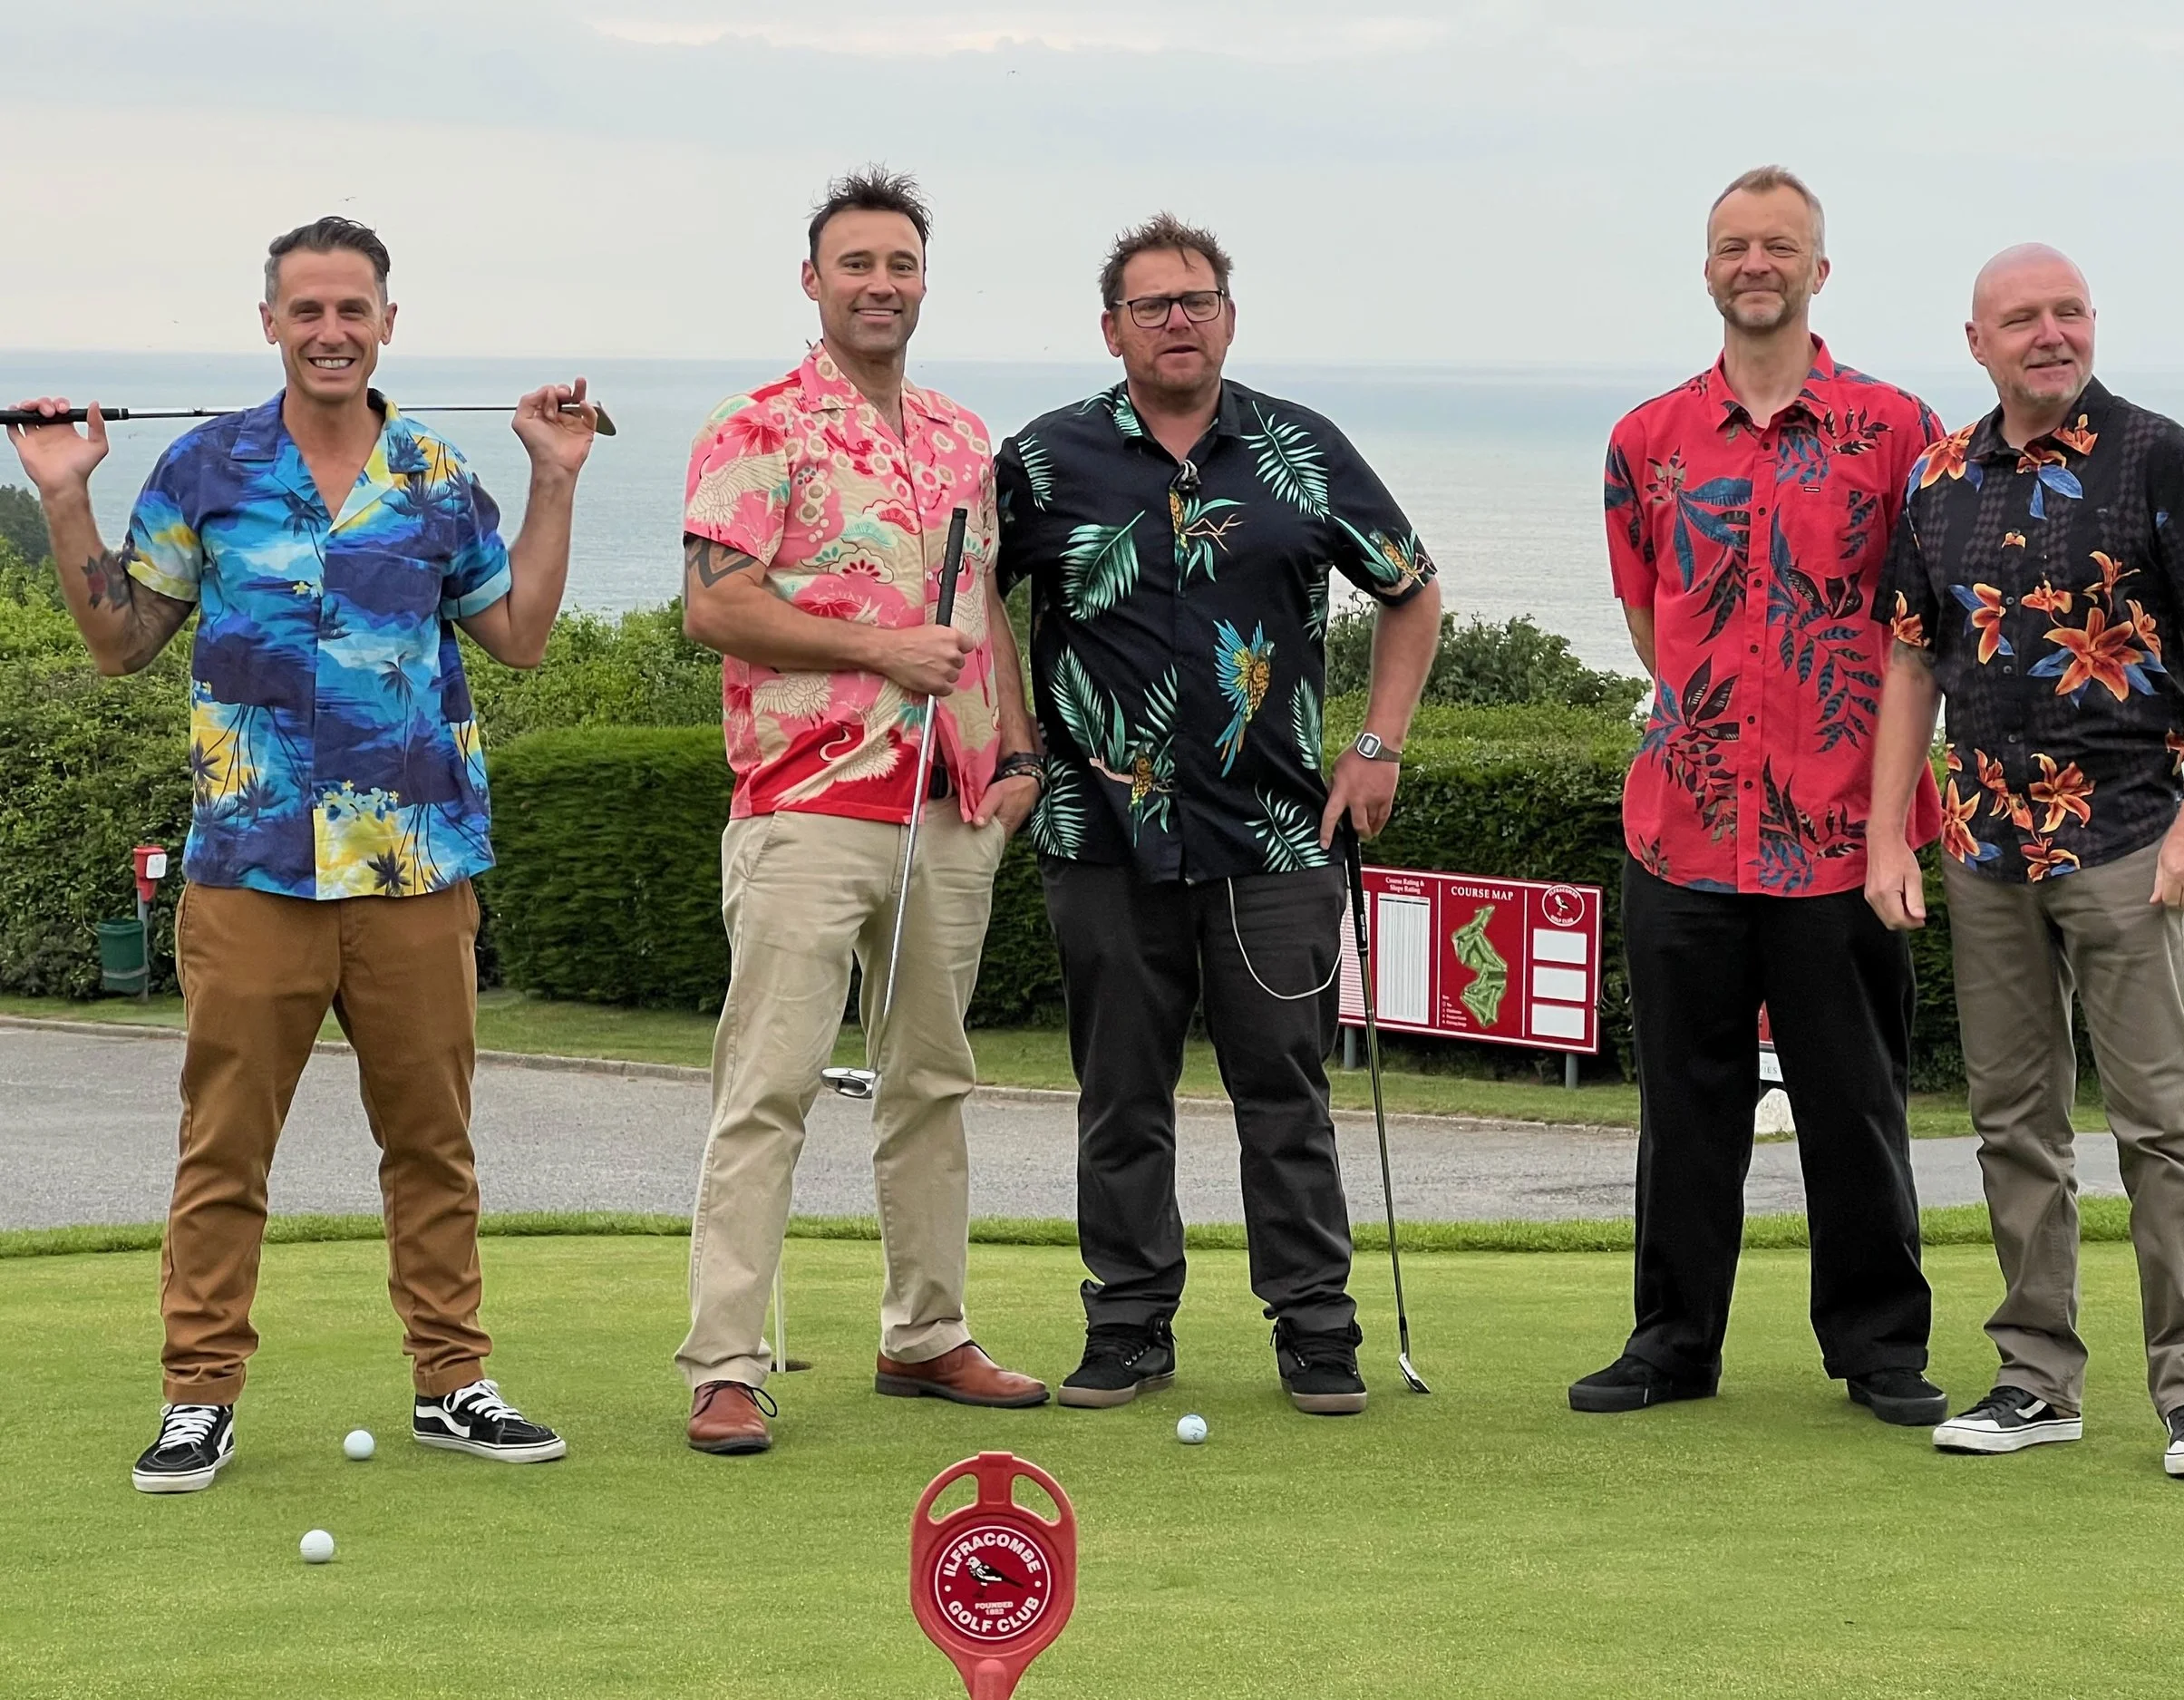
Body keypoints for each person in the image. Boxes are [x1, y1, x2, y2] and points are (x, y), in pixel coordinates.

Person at [5, 216, 597, 1492]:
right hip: (251, 869)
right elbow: (120, 643)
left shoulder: (437, 474)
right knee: (225, 1147)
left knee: (433, 1143)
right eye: (307, 310)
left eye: (354, 309)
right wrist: (66, 492)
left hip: (414, 872)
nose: (332, 330)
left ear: (389, 322)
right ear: (269, 323)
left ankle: (454, 1381)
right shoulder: (207, 467)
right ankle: (196, 1397)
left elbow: (523, 636)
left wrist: (554, 475)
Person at [995, 213, 1442, 1417]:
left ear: (1229, 317)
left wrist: (1376, 743)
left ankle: (1316, 1330)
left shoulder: (1304, 448)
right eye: (1154, 305)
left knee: (1285, 1096)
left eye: (1197, 300)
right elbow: (977, 591)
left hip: (1280, 837)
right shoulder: (1041, 462)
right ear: (1113, 329)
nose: (1179, 319)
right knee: (1119, 1095)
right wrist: (1019, 747)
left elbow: (1412, 590)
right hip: (1101, 834)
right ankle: (1129, 1326)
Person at [673, 169, 1048, 1454]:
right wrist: (889, 651)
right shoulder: (755, 428)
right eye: (856, 264)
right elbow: (715, 607)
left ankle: (926, 1332)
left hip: (948, 806)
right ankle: (724, 1360)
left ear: (922, 281)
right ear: (813, 279)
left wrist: (1019, 758)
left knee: (932, 1079)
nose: (879, 284)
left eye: (899, 265)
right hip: (808, 801)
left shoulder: (959, 437)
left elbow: (984, 609)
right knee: (766, 1084)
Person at [1868, 245, 2184, 1478]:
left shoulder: (2161, 455)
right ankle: (2038, 1379)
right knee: (2014, 1123)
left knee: (2161, 1122)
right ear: (1976, 340)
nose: (2051, 333)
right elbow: (1912, 666)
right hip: (1982, 847)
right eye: (2023, 317)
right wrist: (1890, 831)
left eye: (2070, 311)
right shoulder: (1937, 476)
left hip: (2132, 834)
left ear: (2093, 325)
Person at [1573, 167, 1948, 1425]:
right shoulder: (1646, 439)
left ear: (1818, 270)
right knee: (1686, 1106)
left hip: (1844, 833)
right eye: (1735, 245)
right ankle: (1673, 1342)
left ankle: (1881, 1347)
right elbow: (1648, 618)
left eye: (1780, 245)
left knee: (1856, 1103)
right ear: (1709, 268)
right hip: (1681, 831)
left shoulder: (1899, 431)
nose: (1757, 263)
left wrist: (1890, 812)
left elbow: (1919, 633)